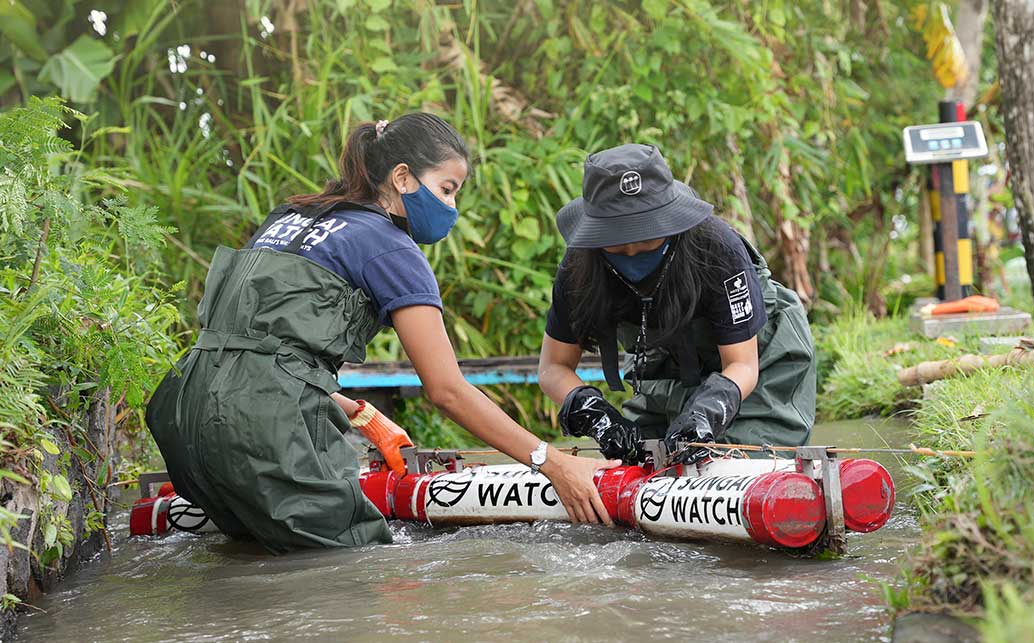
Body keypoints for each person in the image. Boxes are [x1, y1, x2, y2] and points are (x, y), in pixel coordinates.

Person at [146, 113, 619, 554]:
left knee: (253, 568)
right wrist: (554, 463)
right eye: (447, 189)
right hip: (261, 431)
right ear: (402, 178)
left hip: (183, 413)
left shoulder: (287, 218)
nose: (451, 207)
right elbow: (447, 390)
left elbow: (249, 353)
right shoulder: (390, 247)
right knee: (356, 575)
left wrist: (360, 413)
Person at [538, 144, 816, 466]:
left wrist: (706, 412)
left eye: (646, 236)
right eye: (617, 238)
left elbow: (743, 364)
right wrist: (595, 414)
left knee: (742, 464)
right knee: (646, 464)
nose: (632, 249)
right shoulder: (579, 267)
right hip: (667, 366)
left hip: (757, 362)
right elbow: (552, 367)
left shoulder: (716, 248)